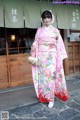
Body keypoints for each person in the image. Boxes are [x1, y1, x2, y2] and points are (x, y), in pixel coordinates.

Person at [30, 10, 69, 108]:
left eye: (48, 17)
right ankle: (44, 96)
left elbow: (59, 43)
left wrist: (61, 56)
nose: (47, 19)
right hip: (42, 57)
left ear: (52, 19)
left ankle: (51, 99)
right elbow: (36, 41)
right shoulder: (39, 30)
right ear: (42, 19)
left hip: (52, 57)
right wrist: (34, 46)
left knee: (51, 76)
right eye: (45, 18)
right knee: (43, 77)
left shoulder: (55, 30)